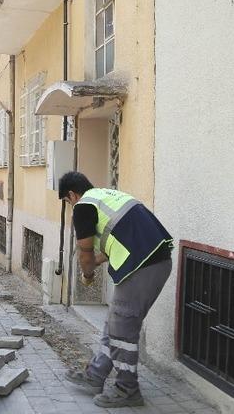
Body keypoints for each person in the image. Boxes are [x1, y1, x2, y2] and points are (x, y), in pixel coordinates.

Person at [59, 172, 173, 408]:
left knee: (123, 326)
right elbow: (113, 246)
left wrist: (87, 274)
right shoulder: (107, 197)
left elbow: (85, 253)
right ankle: (96, 375)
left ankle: (127, 388)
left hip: (143, 265)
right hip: (152, 260)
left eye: (68, 201)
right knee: (115, 322)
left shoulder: (84, 206)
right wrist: (95, 262)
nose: (70, 206)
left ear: (72, 194)